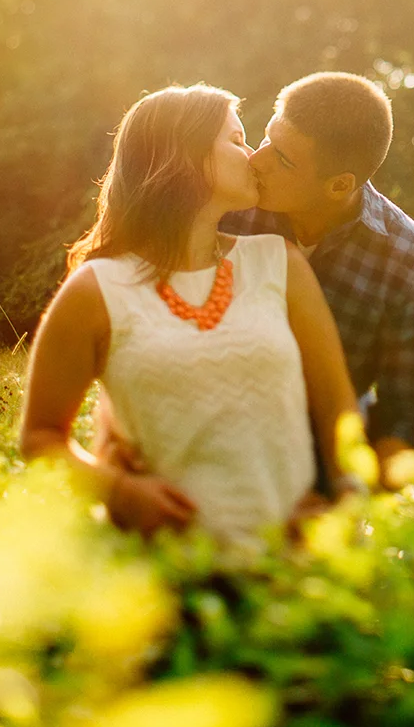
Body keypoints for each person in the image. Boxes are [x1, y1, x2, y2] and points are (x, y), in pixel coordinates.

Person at [19, 85, 359, 542]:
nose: (253, 155)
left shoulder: (281, 263)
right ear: (187, 156)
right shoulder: (96, 290)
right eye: (236, 140)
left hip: (293, 569)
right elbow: (40, 439)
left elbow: (339, 411)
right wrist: (119, 491)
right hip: (167, 574)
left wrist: (346, 512)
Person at [100, 72, 414, 488]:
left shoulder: (412, 262)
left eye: (283, 158)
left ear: (339, 185)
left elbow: (410, 412)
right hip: (195, 444)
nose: (257, 159)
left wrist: (360, 500)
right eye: (266, 138)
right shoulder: (225, 208)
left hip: (320, 460)